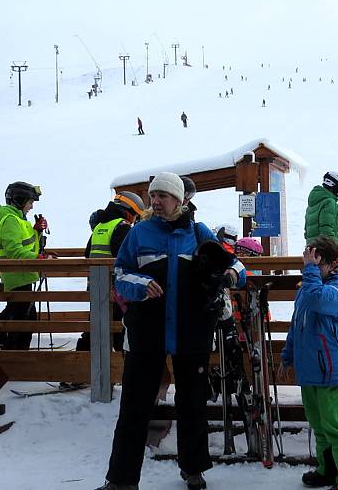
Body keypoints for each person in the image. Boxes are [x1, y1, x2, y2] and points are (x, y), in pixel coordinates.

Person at [98, 173, 246, 490]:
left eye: (163, 196)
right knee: (134, 408)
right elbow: (120, 274)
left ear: (179, 200)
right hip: (146, 334)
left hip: (191, 333)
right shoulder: (139, 233)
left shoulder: (199, 232)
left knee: (192, 404)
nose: (156, 202)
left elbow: (238, 267)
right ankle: (121, 480)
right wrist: (140, 284)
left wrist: (229, 278)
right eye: (153, 196)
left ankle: (193, 470)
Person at [278, 236, 338, 490]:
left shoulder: (337, 289)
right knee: (319, 425)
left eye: (315, 264)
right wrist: (287, 356)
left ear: (330, 265)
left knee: (335, 425)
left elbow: (317, 299)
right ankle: (329, 469)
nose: (309, 268)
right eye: (307, 263)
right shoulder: (308, 287)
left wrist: (310, 273)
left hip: (329, 370)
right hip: (309, 370)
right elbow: (297, 324)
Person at [78, 191, 145, 352]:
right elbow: (124, 257)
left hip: (96, 284)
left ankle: (82, 362)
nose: (135, 220)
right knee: (119, 326)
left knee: (95, 324)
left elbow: (88, 253)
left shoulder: (101, 225)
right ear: (129, 211)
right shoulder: (122, 227)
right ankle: (118, 365)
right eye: (136, 216)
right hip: (115, 288)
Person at [0, 182, 45, 350]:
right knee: (22, 317)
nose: (31, 207)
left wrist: (36, 231)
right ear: (20, 201)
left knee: (23, 314)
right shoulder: (10, 220)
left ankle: (11, 348)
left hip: (23, 275)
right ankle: (13, 352)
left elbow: (26, 245)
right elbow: (15, 251)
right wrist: (38, 258)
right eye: (30, 202)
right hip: (17, 276)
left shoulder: (18, 219)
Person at [304, 171, 338, 245]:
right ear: (334, 187)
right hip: (324, 250)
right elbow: (327, 229)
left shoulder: (313, 203)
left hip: (311, 250)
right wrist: (335, 248)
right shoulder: (329, 202)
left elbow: (307, 231)